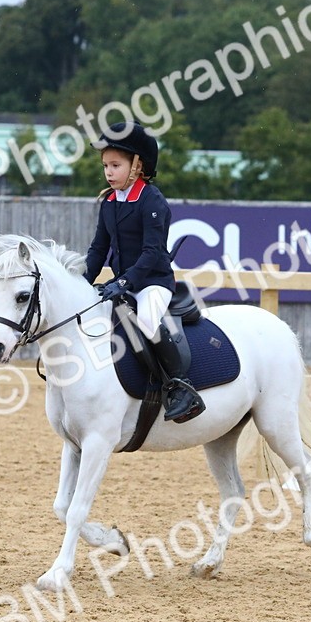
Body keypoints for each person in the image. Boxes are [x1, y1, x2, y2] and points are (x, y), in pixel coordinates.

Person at [83, 121, 205, 423]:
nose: (108, 172)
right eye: (105, 166)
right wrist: (83, 283)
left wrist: (124, 281)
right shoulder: (109, 202)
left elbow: (152, 253)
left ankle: (180, 386)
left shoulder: (151, 200)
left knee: (148, 319)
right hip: (122, 284)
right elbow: (99, 249)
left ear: (137, 165)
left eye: (115, 165)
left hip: (153, 282)